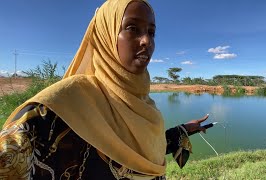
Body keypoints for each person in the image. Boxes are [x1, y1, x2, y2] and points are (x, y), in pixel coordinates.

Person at [0, 0, 210, 179]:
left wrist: (184, 130)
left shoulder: (144, 103)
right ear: (105, 35)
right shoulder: (55, 110)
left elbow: (138, 150)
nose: (147, 41)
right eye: (132, 28)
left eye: (151, 32)